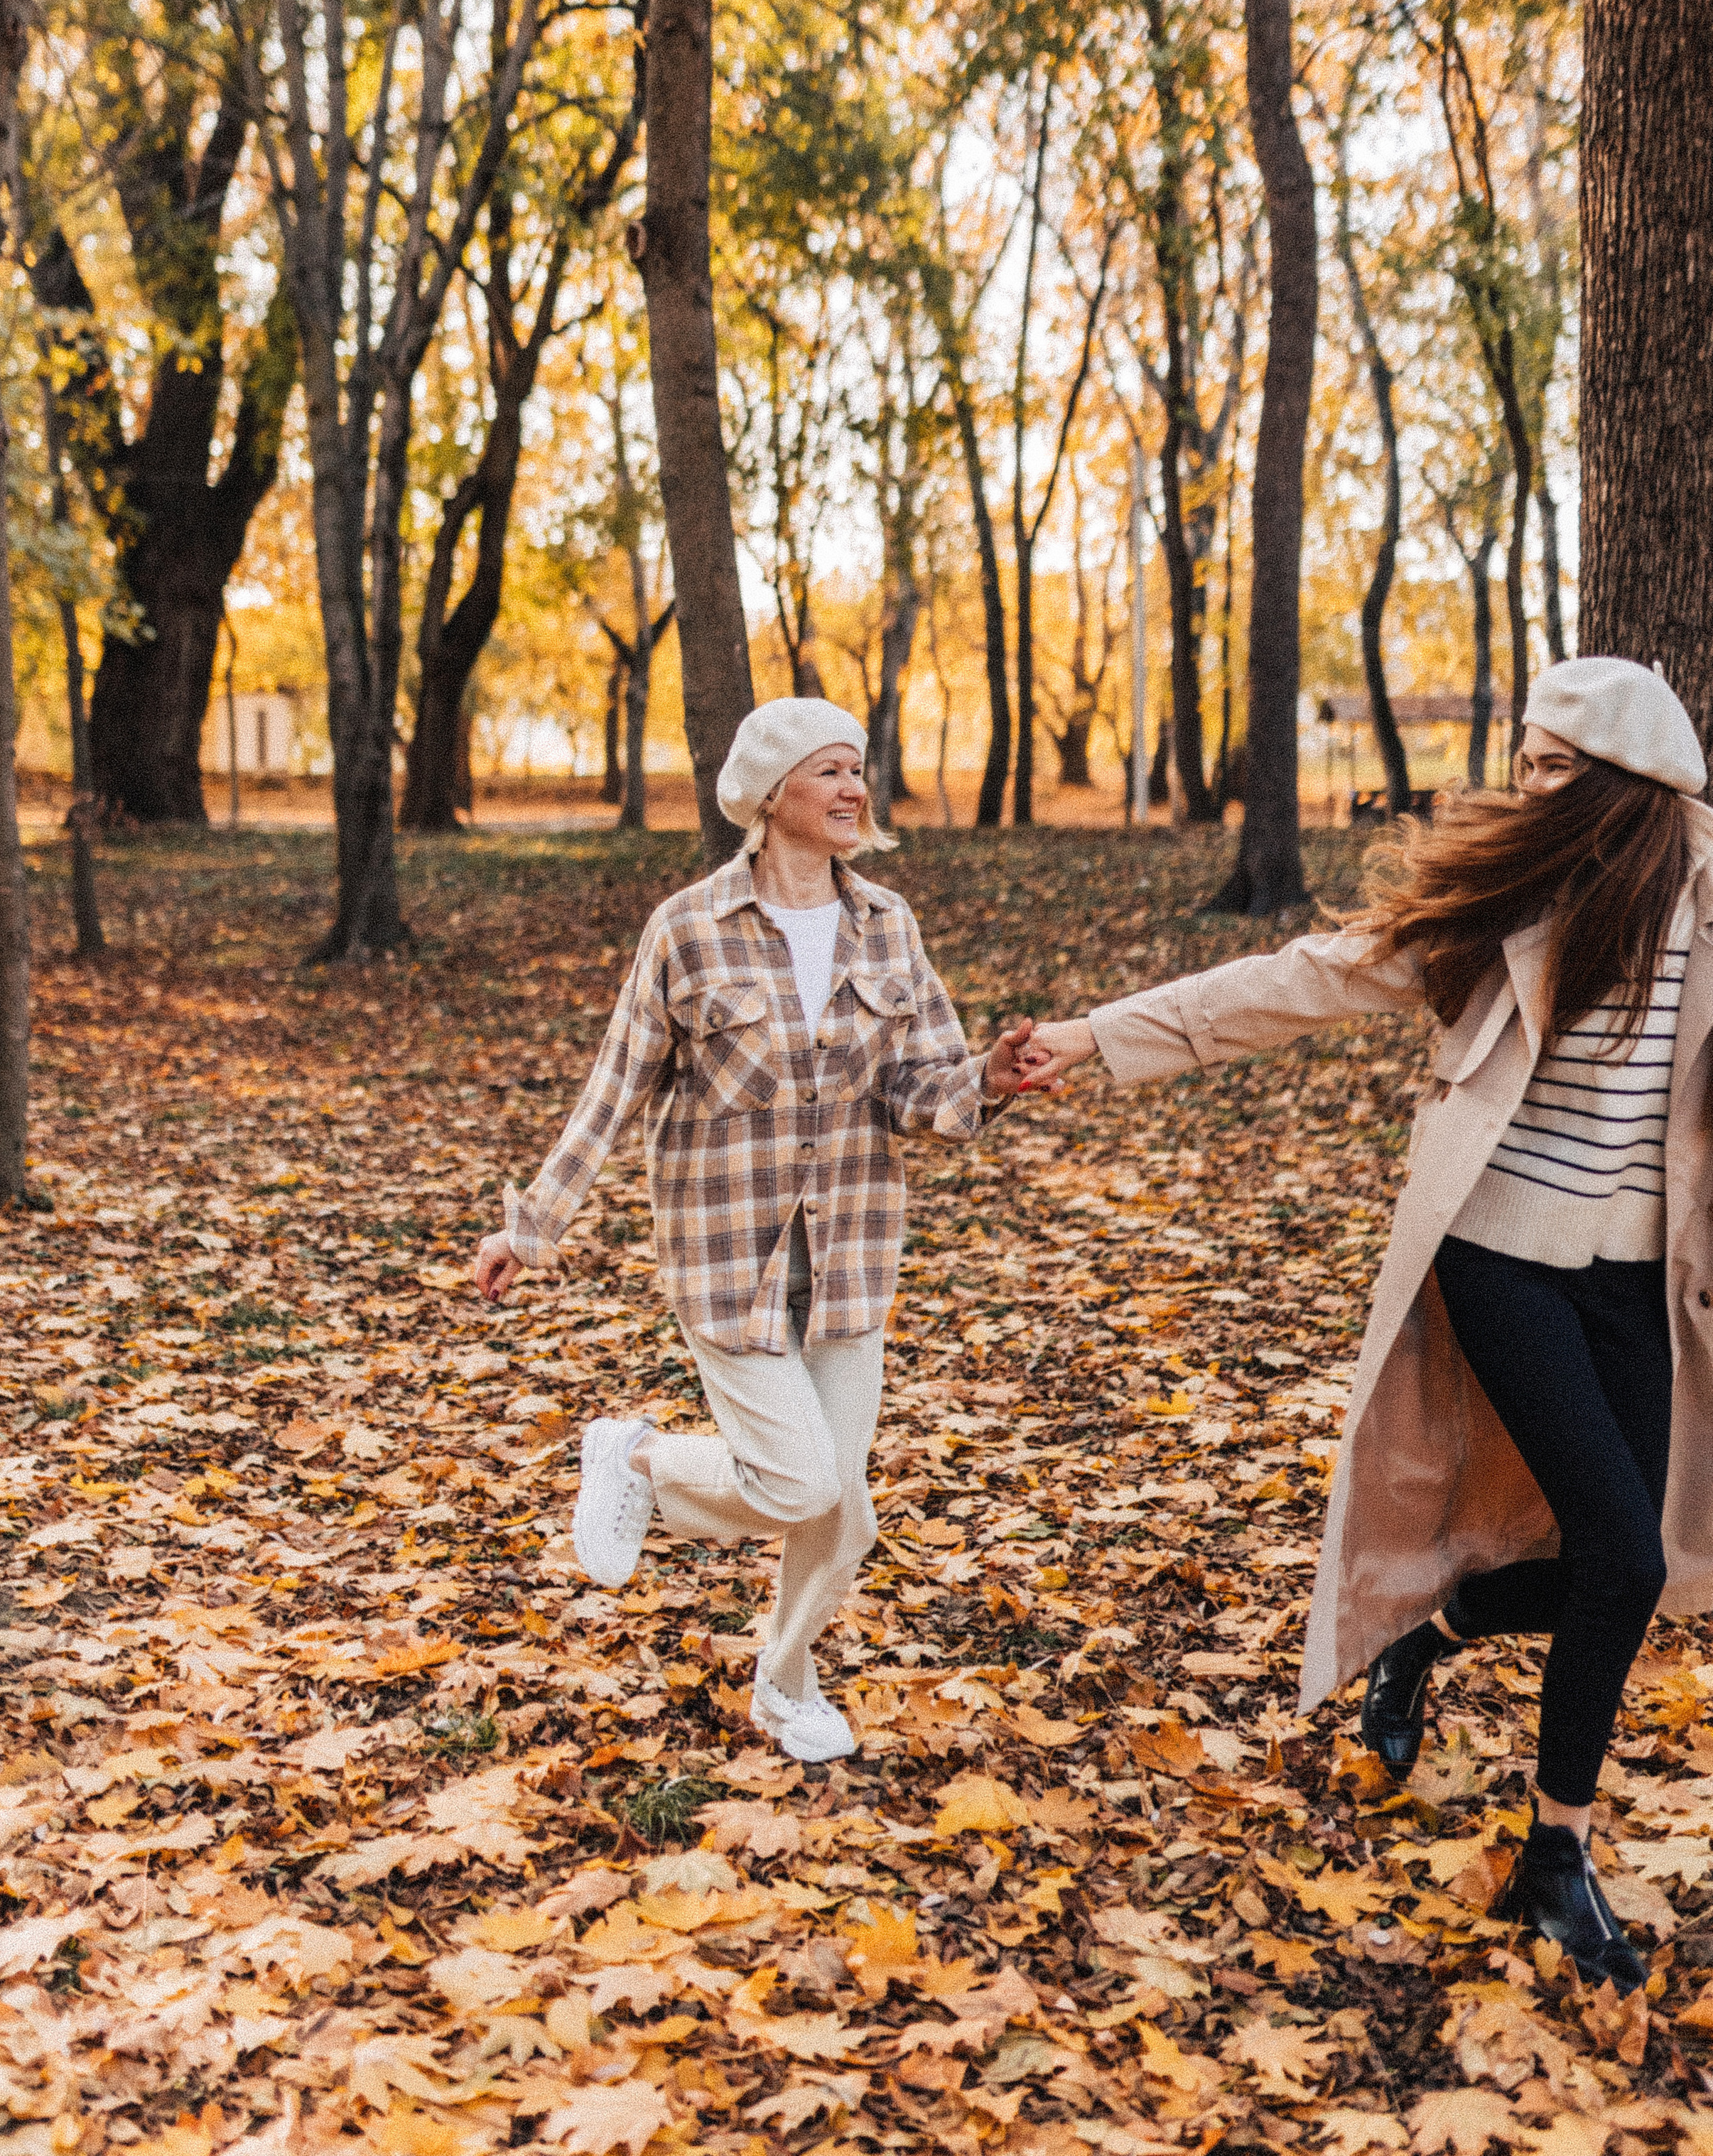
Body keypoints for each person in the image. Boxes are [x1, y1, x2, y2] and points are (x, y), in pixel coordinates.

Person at [1018, 658, 1713, 1994]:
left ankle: (1432, 1634)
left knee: (1635, 1563)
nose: (1524, 788)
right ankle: (1554, 1862)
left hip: (1641, 1279)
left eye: (1552, 766)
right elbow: (1303, 980)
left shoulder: (1701, 882)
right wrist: (1096, 1039)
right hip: (1500, 1257)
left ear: (1630, 779)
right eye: (1523, 762)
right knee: (1625, 1552)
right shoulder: (1509, 889)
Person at [474, 698, 1032, 1764]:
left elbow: (922, 1089)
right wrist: (532, 1228)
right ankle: (636, 1456)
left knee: (845, 1515)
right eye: (828, 772)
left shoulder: (889, 925)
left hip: (852, 1252)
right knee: (798, 1483)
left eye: (858, 770)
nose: (852, 790)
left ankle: (783, 1683)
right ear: (772, 794)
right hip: (727, 1251)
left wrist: (989, 1080)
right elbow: (617, 1086)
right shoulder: (689, 926)